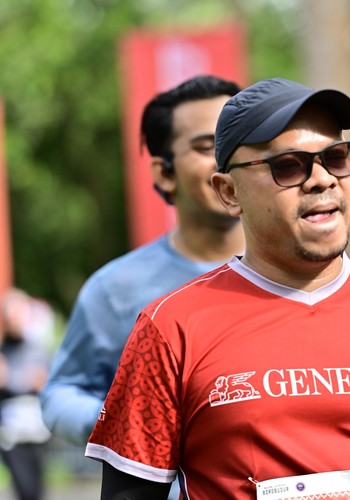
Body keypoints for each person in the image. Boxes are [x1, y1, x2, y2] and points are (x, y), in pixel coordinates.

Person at [85, 78, 350, 499]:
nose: (322, 179)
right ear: (229, 192)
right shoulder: (169, 328)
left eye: (336, 158)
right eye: (287, 165)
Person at [40, 75, 245, 498]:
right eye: (206, 147)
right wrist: (129, 421)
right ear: (164, 172)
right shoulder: (116, 288)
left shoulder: (306, 276)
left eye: (239, 142)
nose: (225, 160)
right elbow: (61, 394)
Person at [0, 288, 53, 500]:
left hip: (36, 428)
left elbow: (42, 380)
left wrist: (14, 379)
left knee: (36, 488)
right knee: (23, 487)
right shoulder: (3, 351)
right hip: (10, 431)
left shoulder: (37, 349)